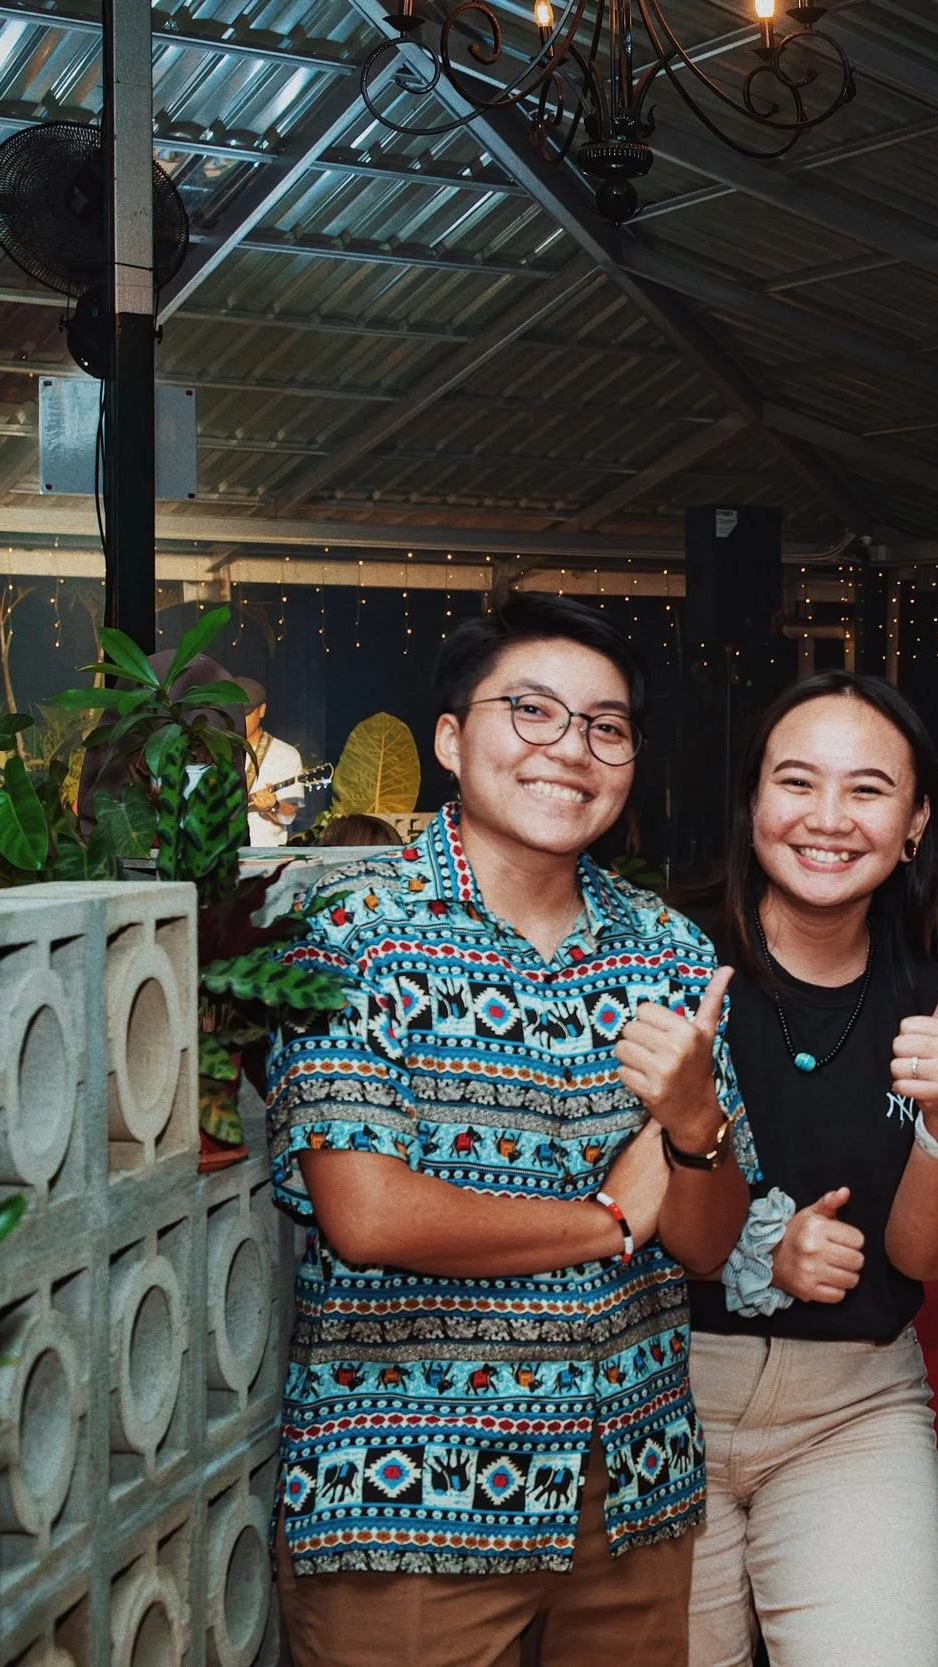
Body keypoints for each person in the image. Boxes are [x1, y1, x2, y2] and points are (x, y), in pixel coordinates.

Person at [265, 594, 753, 1667]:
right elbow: (369, 1213)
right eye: (530, 711)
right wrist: (611, 1215)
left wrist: (692, 1125)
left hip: (628, 1483)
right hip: (405, 1492)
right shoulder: (352, 938)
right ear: (450, 738)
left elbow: (711, 1239)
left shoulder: (668, 947)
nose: (569, 749)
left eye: (605, 726)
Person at [685, 671, 938, 1667]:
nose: (827, 818)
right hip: (658, 1391)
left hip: (853, 1406)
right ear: (752, 803)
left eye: (866, 789)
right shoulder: (668, 963)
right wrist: (757, 1244)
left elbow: (930, 1253)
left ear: (913, 824)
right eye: (796, 781)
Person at [241, 679, 306, 847]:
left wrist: (273, 806)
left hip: (263, 856)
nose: (238, 718)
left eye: (246, 712)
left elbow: (289, 816)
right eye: (233, 711)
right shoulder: (212, 750)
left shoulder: (286, 755)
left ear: (262, 710)